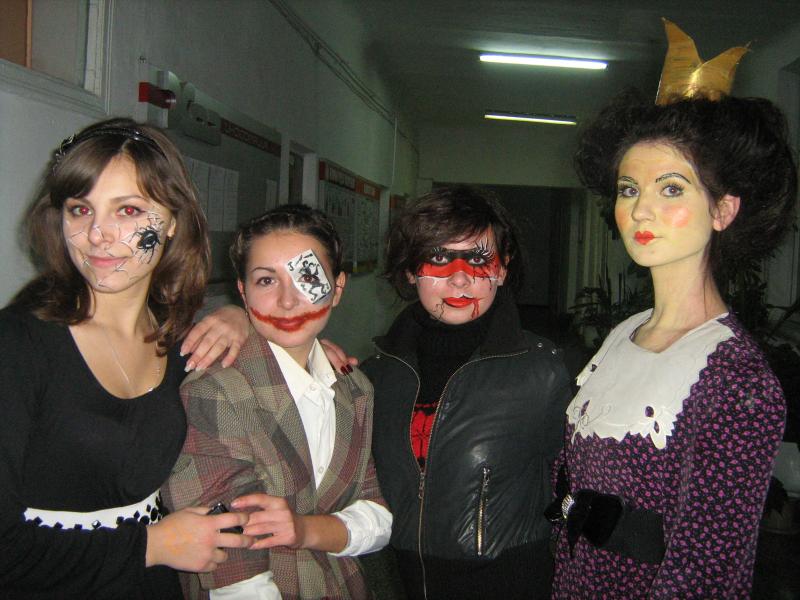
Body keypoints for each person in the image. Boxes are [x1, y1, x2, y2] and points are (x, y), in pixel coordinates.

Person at [550, 91, 797, 598]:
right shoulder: (624, 334)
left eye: (670, 188)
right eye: (629, 189)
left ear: (723, 209)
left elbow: (706, 573)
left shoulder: (737, 380)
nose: (641, 210)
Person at [0, 119, 254, 599]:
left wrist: (248, 320)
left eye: (129, 210)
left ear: (173, 220)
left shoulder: (180, 339)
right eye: (80, 209)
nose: (98, 234)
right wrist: (152, 544)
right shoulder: (18, 344)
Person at [163, 205, 392, 600]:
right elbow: (233, 563)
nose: (287, 301)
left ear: (337, 288)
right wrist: (337, 528)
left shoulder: (356, 389)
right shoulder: (215, 390)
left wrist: (306, 530)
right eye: (267, 280)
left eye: (308, 277)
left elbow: (378, 516)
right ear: (242, 291)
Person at [360, 187, 573, 599]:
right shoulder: (374, 375)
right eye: (439, 258)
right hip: (400, 581)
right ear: (410, 271)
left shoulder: (544, 371)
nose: (459, 278)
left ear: (502, 270)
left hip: (507, 582)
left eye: (477, 259)